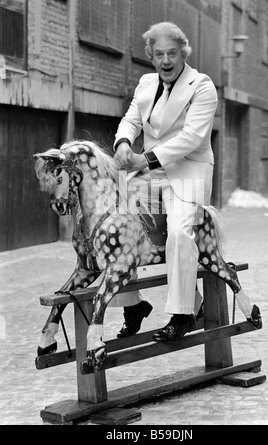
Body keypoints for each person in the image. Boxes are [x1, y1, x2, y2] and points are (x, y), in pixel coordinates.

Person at [112, 21, 218, 342]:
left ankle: (183, 313)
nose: (166, 61)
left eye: (173, 53)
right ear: (151, 56)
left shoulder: (202, 86)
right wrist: (123, 144)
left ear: (183, 53)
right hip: (151, 176)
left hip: (187, 175)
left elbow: (191, 138)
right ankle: (133, 305)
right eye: (159, 54)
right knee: (117, 229)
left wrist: (145, 158)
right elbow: (131, 119)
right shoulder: (146, 83)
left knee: (178, 233)